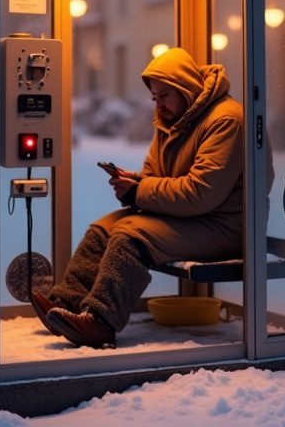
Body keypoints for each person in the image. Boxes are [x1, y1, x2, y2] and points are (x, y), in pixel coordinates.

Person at [31, 47, 246, 348]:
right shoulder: (175, 118)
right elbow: (155, 173)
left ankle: (101, 322)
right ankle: (68, 303)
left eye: (164, 95)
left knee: (131, 236)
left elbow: (201, 193)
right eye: (154, 97)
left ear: (186, 89)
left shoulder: (226, 121)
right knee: (103, 228)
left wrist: (139, 190)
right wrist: (134, 182)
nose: (158, 105)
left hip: (225, 226)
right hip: (189, 217)